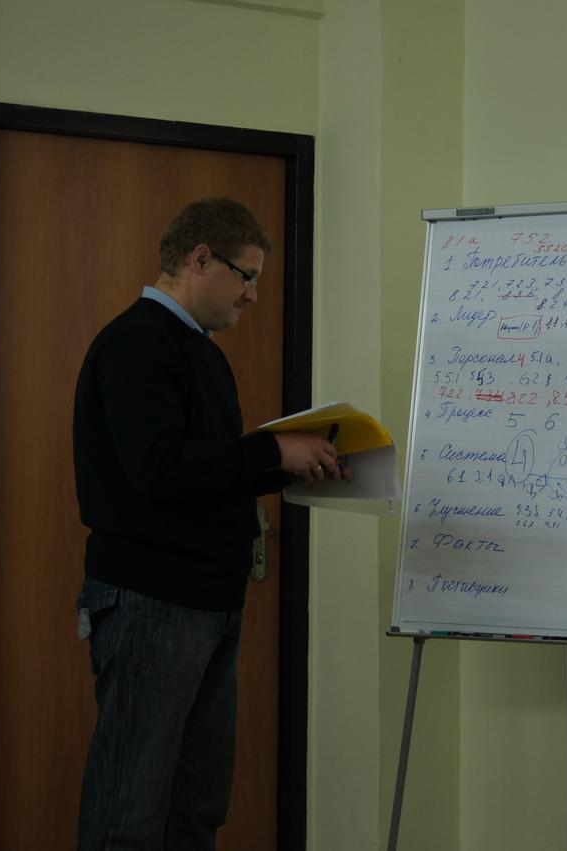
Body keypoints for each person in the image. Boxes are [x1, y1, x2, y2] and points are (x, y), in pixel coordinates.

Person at [72, 197, 345, 850]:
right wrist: (270, 450)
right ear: (200, 259)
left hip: (209, 605)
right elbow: (160, 468)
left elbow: (208, 473)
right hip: (151, 604)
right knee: (128, 815)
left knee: (194, 811)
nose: (253, 295)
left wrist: (289, 466)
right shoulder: (138, 342)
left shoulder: (202, 352)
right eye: (246, 276)